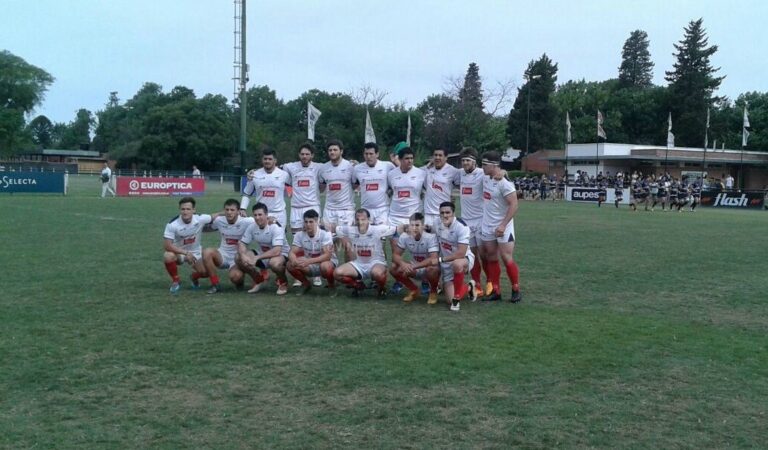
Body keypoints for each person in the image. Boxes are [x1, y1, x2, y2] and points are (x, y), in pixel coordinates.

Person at [479, 151, 521, 303]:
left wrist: (503, 225)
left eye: (484, 164)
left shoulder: (505, 182)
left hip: (504, 226)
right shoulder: (485, 178)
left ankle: (516, 289)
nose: (482, 167)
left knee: (506, 257)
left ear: (494, 165)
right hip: (487, 225)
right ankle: (496, 291)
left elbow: (514, 204)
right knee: (491, 256)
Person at [332, 209, 398, 298]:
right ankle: (358, 286)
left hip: (376, 263)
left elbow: (397, 229)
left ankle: (381, 289)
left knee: (378, 274)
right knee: (337, 273)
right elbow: (334, 228)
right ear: (354, 220)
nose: (360, 222)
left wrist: (415, 229)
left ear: (369, 220)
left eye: (363, 219)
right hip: (358, 264)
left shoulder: (379, 229)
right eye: (357, 219)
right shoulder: (349, 229)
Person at [202, 199, 255, 294]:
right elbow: (205, 228)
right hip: (222, 255)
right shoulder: (219, 220)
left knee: (235, 277)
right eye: (227, 210)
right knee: (207, 252)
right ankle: (215, 284)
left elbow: (262, 221)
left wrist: (273, 220)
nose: (229, 212)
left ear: (238, 211)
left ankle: (240, 280)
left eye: (232, 210)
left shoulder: (247, 221)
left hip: (238, 258)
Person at [432, 202, 477, 311]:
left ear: (453, 213)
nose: (445, 215)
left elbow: (461, 253)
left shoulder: (461, 226)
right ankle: (469, 287)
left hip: (464, 259)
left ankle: (456, 299)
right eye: (442, 213)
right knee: (448, 299)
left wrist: (440, 259)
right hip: (446, 264)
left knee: (457, 264)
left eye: (448, 212)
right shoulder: (436, 223)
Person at [454, 147, 487, 298]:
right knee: (472, 255)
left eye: (468, 160)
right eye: (463, 161)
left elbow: (497, 174)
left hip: (480, 220)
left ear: (474, 162)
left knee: (485, 254)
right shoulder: (460, 173)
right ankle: (477, 284)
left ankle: (492, 283)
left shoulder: (482, 173)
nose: (465, 163)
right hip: (466, 221)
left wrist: (504, 173)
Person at [162, 197, 213, 294]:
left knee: (206, 272)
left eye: (188, 209)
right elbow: (167, 246)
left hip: (195, 252)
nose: (185, 212)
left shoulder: (200, 219)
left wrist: (234, 212)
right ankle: (176, 281)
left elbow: (214, 216)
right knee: (168, 256)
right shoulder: (172, 224)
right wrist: (186, 253)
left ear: (194, 210)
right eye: (183, 209)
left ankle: (193, 277)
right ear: (179, 210)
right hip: (179, 252)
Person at [237, 202, 290, 295]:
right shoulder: (252, 227)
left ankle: (283, 282)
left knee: (274, 263)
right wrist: (243, 255)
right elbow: (242, 243)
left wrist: (256, 258)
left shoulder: (275, 227)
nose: (257, 217)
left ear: (266, 215)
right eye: (255, 215)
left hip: (282, 254)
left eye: (260, 214)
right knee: (238, 258)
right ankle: (258, 280)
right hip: (264, 255)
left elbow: (277, 250)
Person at [391, 212, 441, 304]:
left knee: (432, 269)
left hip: (428, 268)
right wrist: (403, 264)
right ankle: (414, 290)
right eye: (412, 225)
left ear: (423, 226)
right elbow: (395, 255)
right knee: (394, 268)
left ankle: (433, 291)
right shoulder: (404, 236)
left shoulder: (431, 237)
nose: (414, 228)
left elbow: (433, 259)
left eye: (417, 225)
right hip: (415, 267)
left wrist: (414, 266)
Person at [286, 209, 337, 295]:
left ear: (317, 221)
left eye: (311, 222)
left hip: (326, 263)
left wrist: (308, 261)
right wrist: (294, 260)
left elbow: (327, 256)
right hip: (309, 264)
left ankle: (332, 286)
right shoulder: (299, 235)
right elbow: (292, 252)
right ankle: (306, 284)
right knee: (289, 265)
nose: (308, 225)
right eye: (306, 222)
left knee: (325, 266)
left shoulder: (325, 234)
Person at [240, 149, 290, 227]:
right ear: (262, 160)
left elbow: (296, 186)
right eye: (265, 159)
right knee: (262, 237)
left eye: (270, 159)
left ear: (275, 161)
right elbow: (247, 193)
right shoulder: (254, 174)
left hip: (279, 213)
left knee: (279, 238)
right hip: (261, 213)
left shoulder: (284, 175)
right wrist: (243, 208)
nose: (267, 161)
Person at [352, 142, 398, 226]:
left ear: (377, 154)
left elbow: (399, 175)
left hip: (382, 209)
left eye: (371, 154)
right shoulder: (357, 168)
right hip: (365, 209)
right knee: (365, 236)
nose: (368, 156)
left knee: (380, 235)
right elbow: (354, 184)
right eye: (366, 154)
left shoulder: (387, 166)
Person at [283, 143, 322, 234]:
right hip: (296, 208)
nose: (304, 156)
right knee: (297, 239)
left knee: (314, 238)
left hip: (312, 206)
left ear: (312, 155)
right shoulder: (290, 167)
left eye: (307, 154)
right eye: (302, 154)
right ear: (299, 155)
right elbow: (273, 168)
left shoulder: (319, 167)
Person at [319, 139, 356, 229]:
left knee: (345, 240)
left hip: (346, 210)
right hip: (329, 210)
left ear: (341, 151)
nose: (332, 152)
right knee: (329, 240)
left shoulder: (350, 166)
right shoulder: (323, 168)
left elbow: (355, 186)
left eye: (335, 150)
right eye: (330, 150)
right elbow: (321, 188)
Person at [387, 143, 426, 227]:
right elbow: (390, 190)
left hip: (413, 216)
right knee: (395, 240)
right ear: (400, 159)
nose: (410, 161)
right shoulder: (391, 174)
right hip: (395, 216)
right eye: (407, 158)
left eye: (411, 158)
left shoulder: (421, 173)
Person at [423, 148, 459, 228]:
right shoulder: (428, 170)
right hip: (429, 213)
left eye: (440, 155)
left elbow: (463, 183)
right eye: (435, 155)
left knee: (445, 238)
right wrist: (427, 165)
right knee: (428, 238)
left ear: (446, 158)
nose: (437, 157)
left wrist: (452, 195)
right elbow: (415, 172)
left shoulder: (452, 171)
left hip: (444, 212)